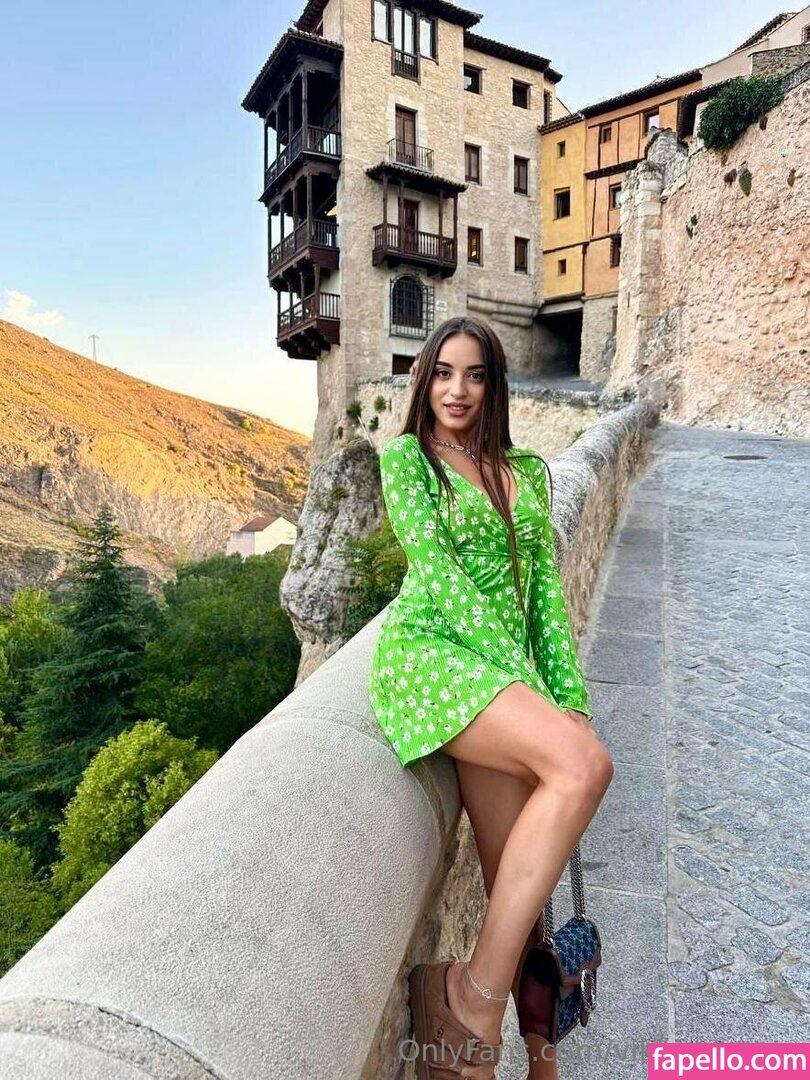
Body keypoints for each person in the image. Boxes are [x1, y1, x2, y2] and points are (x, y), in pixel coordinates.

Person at [368, 315, 614, 1080]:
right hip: (432, 661)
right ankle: (470, 1000)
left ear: (494, 385)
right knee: (584, 767)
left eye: (474, 375)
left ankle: (539, 1061)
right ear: (424, 381)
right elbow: (439, 579)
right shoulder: (409, 460)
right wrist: (527, 687)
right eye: (443, 373)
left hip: (499, 677)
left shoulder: (526, 472)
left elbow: (543, 599)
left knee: (519, 886)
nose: (457, 390)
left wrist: (567, 698)